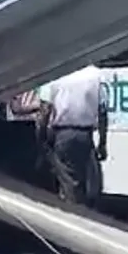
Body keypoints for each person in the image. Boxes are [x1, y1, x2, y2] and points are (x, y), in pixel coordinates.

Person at [36, 65, 108, 206]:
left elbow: (45, 110)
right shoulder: (97, 75)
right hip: (86, 136)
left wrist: (41, 137)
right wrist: (103, 142)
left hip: (63, 135)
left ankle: (73, 215)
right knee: (86, 183)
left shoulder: (55, 72)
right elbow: (103, 111)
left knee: (69, 184)